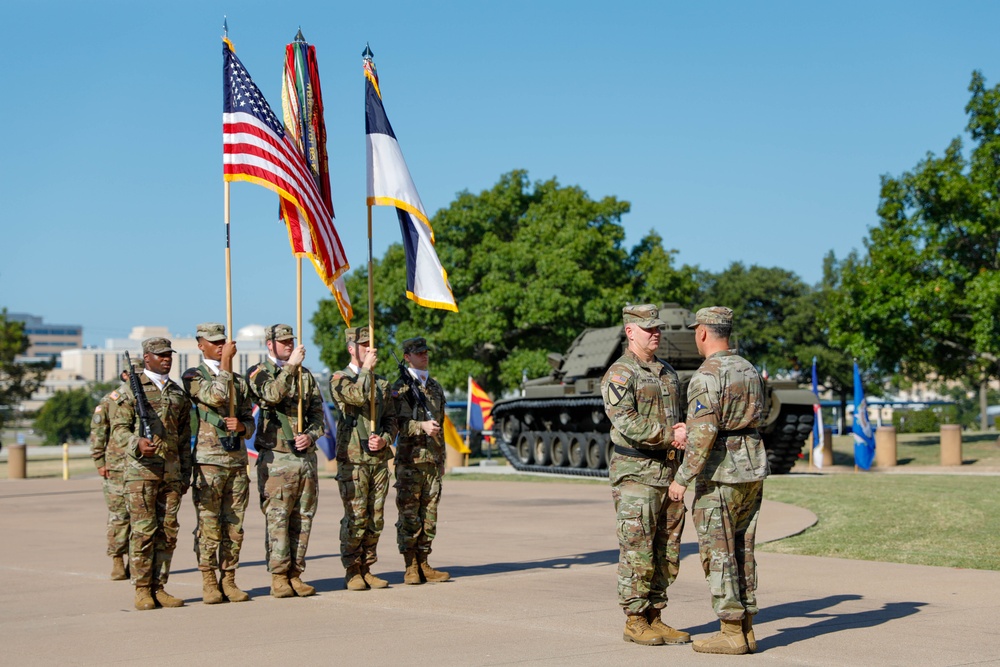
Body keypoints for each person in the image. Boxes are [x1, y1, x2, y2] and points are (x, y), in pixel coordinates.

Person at [668, 306, 768, 655]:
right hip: (751, 467)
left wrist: (682, 477)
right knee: (743, 550)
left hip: (721, 473)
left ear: (703, 333)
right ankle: (747, 628)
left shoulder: (705, 376)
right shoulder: (749, 369)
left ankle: (729, 631)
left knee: (718, 552)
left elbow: (704, 431)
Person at [601, 304, 691, 647]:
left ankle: (655, 614)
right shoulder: (621, 373)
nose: (656, 333)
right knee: (637, 549)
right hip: (636, 473)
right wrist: (672, 435)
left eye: (658, 328)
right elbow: (625, 421)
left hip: (668, 472)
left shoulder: (667, 371)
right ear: (630, 332)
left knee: (667, 549)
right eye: (649, 329)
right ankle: (635, 619)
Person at [109, 337, 192, 611]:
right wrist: (137, 443)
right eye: (160, 355)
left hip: (171, 473)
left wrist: (185, 474)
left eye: (169, 354)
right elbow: (118, 431)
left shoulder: (178, 393)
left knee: (167, 533)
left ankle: (160, 586)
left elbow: (183, 439)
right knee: (144, 533)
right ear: (147, 358)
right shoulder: (130, 392)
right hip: (141, 474)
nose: (166, 359)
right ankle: (143, 589)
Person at [246, 324, 324, 599]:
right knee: (278, 519)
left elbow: (318, 415)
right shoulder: (258, 372)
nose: (289, 345)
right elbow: (271, 395)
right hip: (277, 458)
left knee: (303, 518)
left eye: (291, 341)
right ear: (270, 344)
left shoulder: (305, 375)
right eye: (283, 341)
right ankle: (279, 576)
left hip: (304, 458)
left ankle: (296, 573)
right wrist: (290, 367)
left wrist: (311, 437)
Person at [182, 323, 256, 604]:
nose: (220, 345)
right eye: (214, 342)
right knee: (209, 524)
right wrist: (226, 362)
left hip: (235, 461)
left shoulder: (238, 381)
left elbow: (250, 420)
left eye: (223, 341)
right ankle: (209, 580)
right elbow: (215, 396)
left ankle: (229, 579)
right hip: (208, 462)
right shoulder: (193, 376)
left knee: (234, 525)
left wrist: (241, 428)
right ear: (201, 345)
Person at [329, 326, 397, 591]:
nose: (369, 349)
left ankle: (367, 567)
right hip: (353, 460)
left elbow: (391, 419)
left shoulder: (382, 384)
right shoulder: (339, 379)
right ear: (351, 348)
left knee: (375, 517)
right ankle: (352, 569)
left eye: (371, 345)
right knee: (356, 517)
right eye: (363, 345)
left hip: (377, 459)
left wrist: (385, 439)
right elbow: (356, 397)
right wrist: (367, 369)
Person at [392, 336, 449, 585]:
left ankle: (424, 561)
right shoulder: (400, 388)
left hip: (432, 461)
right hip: (410, 461)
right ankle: (411, 565)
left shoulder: (435, 387)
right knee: (409, 515)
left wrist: (442, 457)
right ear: (407, 357)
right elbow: (396, 424)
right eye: (418, 353)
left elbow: (442, 424)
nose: (424, 356)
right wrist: (421, 426)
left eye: (426, 352)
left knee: (430, 515)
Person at [89, 364, 137, 581]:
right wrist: (99, 460)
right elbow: (99, 431)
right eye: (134, 372)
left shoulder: (148, 398)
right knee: (119, 515)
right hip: (116, 466)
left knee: (141, 517)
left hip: (141, 465)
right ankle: (117, 559)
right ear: (125, 375)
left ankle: (136, 562)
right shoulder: (111, 400)